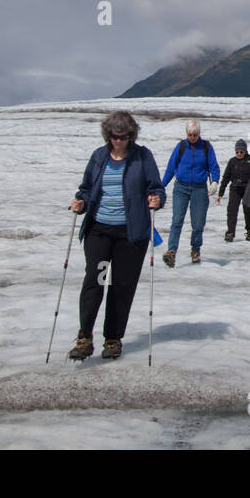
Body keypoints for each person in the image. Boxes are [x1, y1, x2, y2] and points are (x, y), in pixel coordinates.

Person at [66, 111, 165, 361]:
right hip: (99, 231)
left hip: (131, 235)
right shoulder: (99, 156)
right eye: (114, 136)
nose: (119, 141)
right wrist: (81, 201)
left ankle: (113, 339)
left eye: (124, 136)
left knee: (121, 286)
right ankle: (84, 337)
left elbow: (156, 187)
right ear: (107, 134)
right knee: (95, 280)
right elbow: (87, 188)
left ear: (132, 135)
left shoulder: (142, 157)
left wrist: (156, 199)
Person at [161, 120, 220, 267]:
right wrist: (161, 186)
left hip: (199, 189)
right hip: (181, 188)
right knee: (177, 221)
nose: (193, 137)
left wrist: (215, 181)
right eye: (190, 134)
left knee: (198, 224)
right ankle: (171, 251)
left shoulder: (206, 147)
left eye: (195, 134)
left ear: (199, 134)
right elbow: (171, 168)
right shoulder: (181, 146)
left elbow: (214, 167)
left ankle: (195, 250)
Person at [217, 138, 250, 242]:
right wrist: (220, 193)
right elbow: (225, 178)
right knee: (232, 211)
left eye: (241, 151)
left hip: (249, 189)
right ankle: (230, 233)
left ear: (245, 151)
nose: (239, 154)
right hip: (235, 189)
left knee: (249, 211)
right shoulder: (232, 162)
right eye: (237, 152)